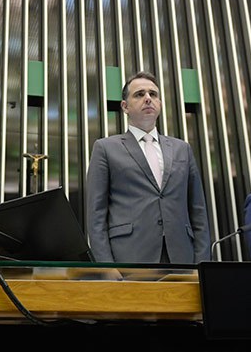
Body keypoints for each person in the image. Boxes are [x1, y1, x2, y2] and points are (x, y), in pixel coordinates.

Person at [87, 72, 211, 263]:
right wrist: (106, 267)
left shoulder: (182, 149)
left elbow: (198, 210)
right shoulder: (105, 148)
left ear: (159, 103)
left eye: (153, 94)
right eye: (139, 94)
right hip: (128, 258)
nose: (148, 99)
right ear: (125, 106)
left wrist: (201, 263)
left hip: (181, 257)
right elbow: (96, 215)